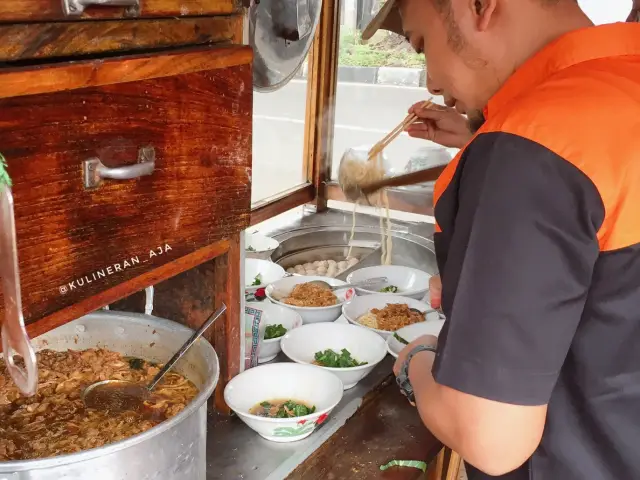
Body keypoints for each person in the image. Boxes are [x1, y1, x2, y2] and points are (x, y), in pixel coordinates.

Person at [362, 1, 640, 479]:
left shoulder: (532, 149)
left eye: (422, 43)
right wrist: (482, 132)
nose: (428, 81)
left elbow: (490, 439)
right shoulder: (622, 84)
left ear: (479, 6)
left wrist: (417, 361)